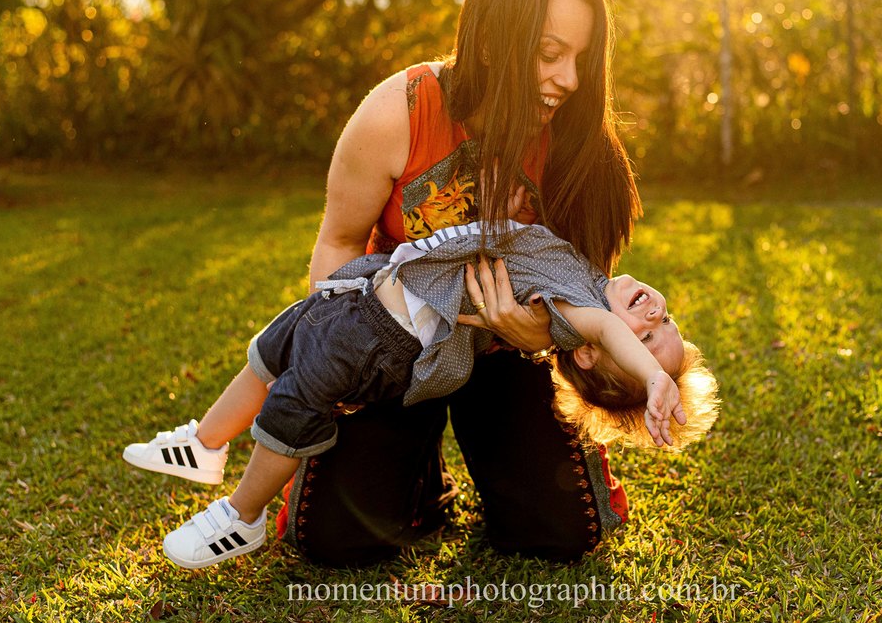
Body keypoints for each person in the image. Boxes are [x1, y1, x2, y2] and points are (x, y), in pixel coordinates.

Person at [137, 0, 667, 565]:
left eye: (580, 59)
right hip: (393, 343)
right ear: (495, 40)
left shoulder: (582, 145)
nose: (570, 80)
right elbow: (337, 244)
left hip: (508, 355)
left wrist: (530, 336)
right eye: (550, 55)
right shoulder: (402, 112)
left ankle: (485, 460)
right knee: (335, 541)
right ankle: (415, 476)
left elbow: (586, 302)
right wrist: (350, 344)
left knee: (555, 534)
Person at [124, 221, 719, 568]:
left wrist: (653, 378)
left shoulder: (583, 315)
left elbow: (612, 328)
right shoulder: (583, 271)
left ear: (592, 353)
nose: (657, 318)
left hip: (382, 340)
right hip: (364, 293)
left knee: (297, 399)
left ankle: (242, 514)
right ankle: (204, 444)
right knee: (272, 349)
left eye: (648, 340)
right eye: (667, 326)